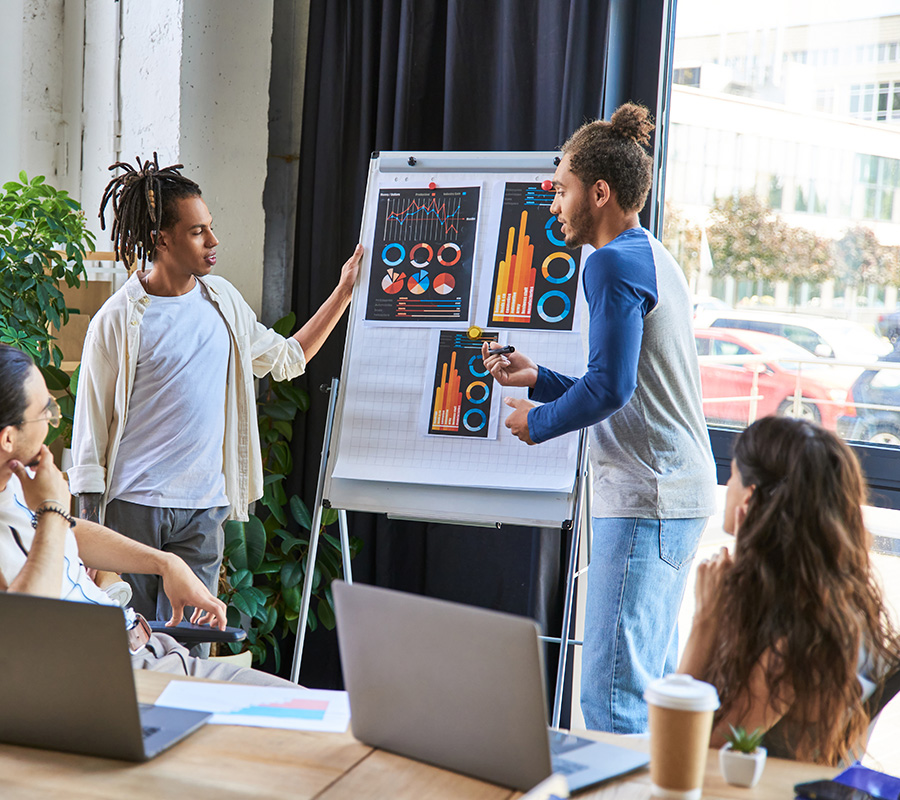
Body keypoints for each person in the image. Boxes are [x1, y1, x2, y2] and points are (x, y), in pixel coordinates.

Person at [483, 104, 716, 733]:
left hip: (648, 498)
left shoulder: (609, 263)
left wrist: (538, 423)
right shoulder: (649, 254)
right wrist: (539, 378)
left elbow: (611, 388)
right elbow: (623, 385)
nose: (554, 203)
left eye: (562, 189)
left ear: (600, 192)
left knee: (613, 700)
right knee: (647, 690)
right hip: (675, 494)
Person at [69, 155, 362, 629]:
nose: (213, 240)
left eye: (211, 227)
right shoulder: (117, 320)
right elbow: (89, 438)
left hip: (205, 508)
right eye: (197, 231)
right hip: (135, 508)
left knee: (194, 645)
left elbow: (289, 358)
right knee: (130, 645)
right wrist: (91, 541)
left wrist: (345, 291)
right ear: (161, 239)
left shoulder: (223, 302)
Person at [0, 344, 294, 685]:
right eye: (46, 412)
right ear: (8, 438)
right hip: (103, 678)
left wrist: (165, 563)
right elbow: (21, 631)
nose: (53, 419)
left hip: (149, 648)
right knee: (305, 713)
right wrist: (52, 508)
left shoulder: (20, 480)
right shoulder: (41, 499)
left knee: (310, 705)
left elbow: (69, 532)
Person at [678, 416, 900, 765]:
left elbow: (684, 752)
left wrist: (704, 621)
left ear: (750, 497)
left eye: (732, 474)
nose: (727, 483)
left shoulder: (797, 634)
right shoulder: (824, 597)